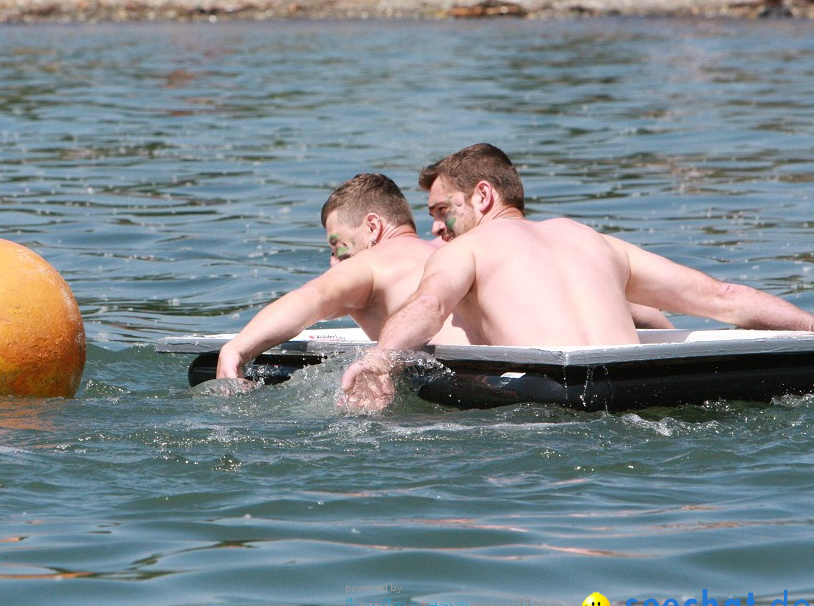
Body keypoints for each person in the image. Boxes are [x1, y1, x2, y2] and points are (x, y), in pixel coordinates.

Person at [341, 143, 814, 410]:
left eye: (446, 209)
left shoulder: (468, 250)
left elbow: (429, 307)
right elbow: (724, 297)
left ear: (483, 195)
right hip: (646, 388)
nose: (439, 228)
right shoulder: (594, 241)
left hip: (558, 402)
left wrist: (381, 358)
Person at [215, 173, 474, 380]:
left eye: (338, 244)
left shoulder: (373, 262)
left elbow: (313, 297)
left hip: (455, 381)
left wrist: (237, 348)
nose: (334, 260)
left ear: (373, 227)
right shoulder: (451, 250)